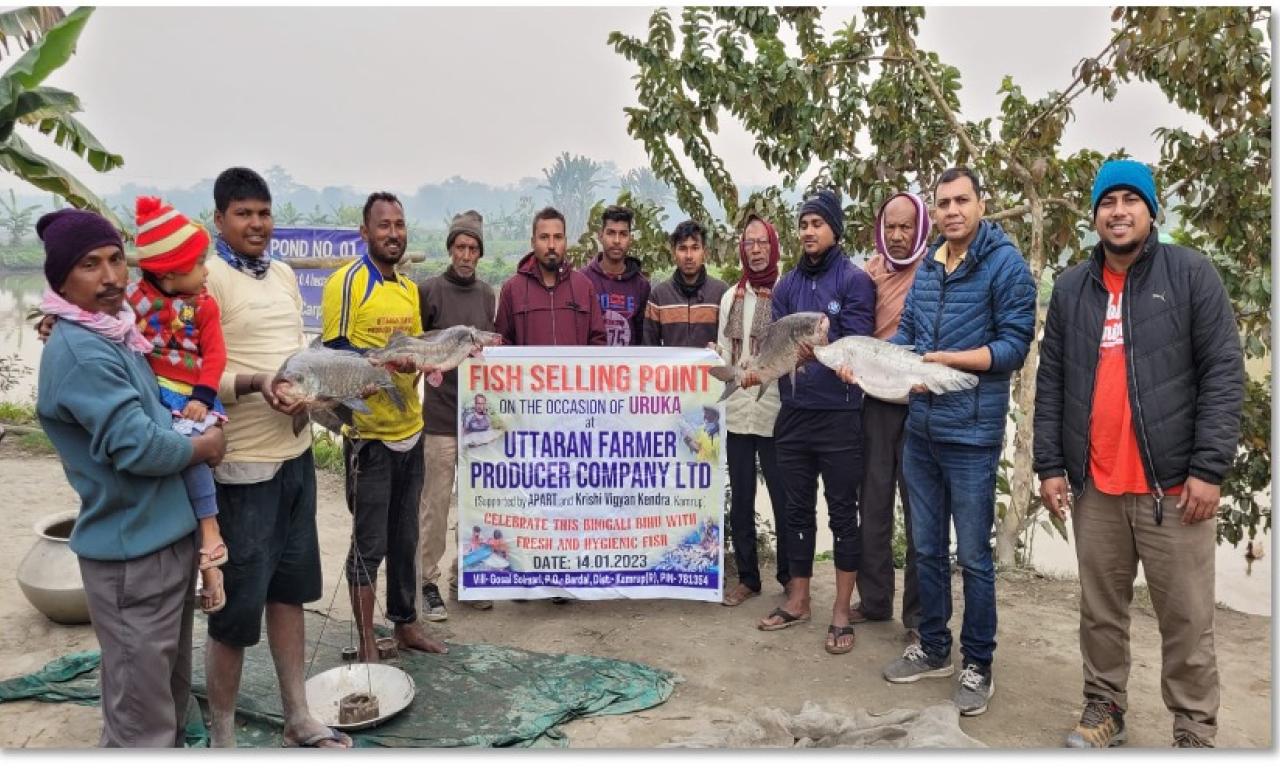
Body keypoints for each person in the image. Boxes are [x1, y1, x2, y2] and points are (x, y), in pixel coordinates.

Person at [1034, 159, 1244, 748]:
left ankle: (1194, 730)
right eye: (1108, 202)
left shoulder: (1190, 275)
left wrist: (1208, 469)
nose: (1119, 211)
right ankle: (1105, 707)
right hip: (1096, 486)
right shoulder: (1073, 288)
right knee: (1101, 611)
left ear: (1152, 211)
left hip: (1173, 489)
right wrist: (1049, 465)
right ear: (1095, 215)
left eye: (1131, 200)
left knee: (1187, 619)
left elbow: (1224, 372)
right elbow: (1051, 382)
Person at [35, 208, 226, 747]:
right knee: (142, 726)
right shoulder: (83, 351)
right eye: (89, 265)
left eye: (116, 260)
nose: (110, 277)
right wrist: (205, 445)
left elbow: (156, 411)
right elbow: (138, 445)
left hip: (160, 544)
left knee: (165, 702)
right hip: (131, 558)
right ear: (60, 281)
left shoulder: (115, 333)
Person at [875, 167, 1036, 717]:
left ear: (980, 204)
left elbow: (1014, 346)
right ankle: (934, 647)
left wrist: (949, 362)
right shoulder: (928, 266)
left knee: (973, 556)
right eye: (943, 203)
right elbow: (908, 337)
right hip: (921, 430)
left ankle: (978, 663)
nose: (952, 211)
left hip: (971, 434)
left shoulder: (1005, 265)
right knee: (924, 547)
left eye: (961, 200)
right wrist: (874, 362)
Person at [202, 167, 351, 748]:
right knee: (235, 614)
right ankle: (223, 739)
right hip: (242, 469)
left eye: (264, 213)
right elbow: (192, 379)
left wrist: (318, 394)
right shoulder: (207, 279)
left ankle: (297, 717)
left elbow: (297, 359)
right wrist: (255, 382)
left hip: (296, 458)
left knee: (290, 592)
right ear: (219, 218)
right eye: (243, 214)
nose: (257, 224)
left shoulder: (284, 274)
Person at [321, 191, 446, 661]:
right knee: (369, 544)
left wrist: (423, 362)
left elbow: (414, 351)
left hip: (410, 430)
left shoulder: (409, 289)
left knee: (405, 539)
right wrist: (380, 365)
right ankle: (367, 641)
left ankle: (406, 624)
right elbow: (332, 356)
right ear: (365, 232)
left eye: (399, 225)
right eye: (384, 225)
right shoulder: (347, 283)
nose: (393, 233)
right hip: (368, 439)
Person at [755, 190, 875, 658]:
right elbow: (776, 345)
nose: (808, 231)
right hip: (794, 414)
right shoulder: (785, 286)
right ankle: (799, 599)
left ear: (835, 230)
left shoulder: (855, 281)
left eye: (817, 223)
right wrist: (759, 369)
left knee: (843, 512)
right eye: (804, 224)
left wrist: (821, 351)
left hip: (841, 416)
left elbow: (857, 344)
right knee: (796, 509)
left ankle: (842, 610)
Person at [127, 196, 230, 615]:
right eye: (199, 263)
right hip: (153, 395)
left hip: (190, 397)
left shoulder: (203, 305)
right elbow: (99, 319)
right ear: (169, 272)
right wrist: (54, 319)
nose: (207, 271)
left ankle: (209, 530)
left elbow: (216, 355)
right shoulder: (134, 300)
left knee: (191, 457)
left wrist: (202, 397)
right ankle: (203, 563)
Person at [848, 192, 929, 638]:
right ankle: (875, 600)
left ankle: (918, 618)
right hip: (877, 403)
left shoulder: (935, 269)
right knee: (873, 505)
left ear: (920, 228)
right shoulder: (870, 272)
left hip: (921, 402)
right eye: (890, 227)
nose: (897, 236)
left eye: (906, 227)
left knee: (921, 513)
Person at [417, 209, 499, 620]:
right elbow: (416, 347)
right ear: (450, 249)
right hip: (438, 418)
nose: (466, 255)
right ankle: (426, 582)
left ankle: (463, 577)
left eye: (473, 248)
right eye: (460, 247)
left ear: (480, 253)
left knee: (474, 503)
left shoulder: (487, 295)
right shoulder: (429, 290)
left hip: (477, 420)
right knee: (435, 504)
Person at [716, 214, 790, 608]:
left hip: (776, 412)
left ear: (773, 247)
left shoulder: (787, 292)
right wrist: (719, 361)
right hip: (738, 412)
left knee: (784, 497)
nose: (756, 250)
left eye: (763, 243)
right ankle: (748, 578)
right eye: (749, 243)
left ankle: (790, 577)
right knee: (741, 499)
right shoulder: (732, 297)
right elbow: (725, 356)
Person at [494, 206, 606, 346]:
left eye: (558, 237)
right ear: (533, 242)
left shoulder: (583, 287)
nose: (551, 245)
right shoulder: (512, 289)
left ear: (565, 242)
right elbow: (502, 344)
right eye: (544, 237)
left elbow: (598, 341)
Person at [642, 220, 728, 348]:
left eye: (695, 248)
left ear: (705, 252)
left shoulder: (721, 292)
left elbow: (730, 345)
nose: (689, 256)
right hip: (670, 362)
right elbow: (649, 346)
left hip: (712, 362)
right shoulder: (659, 295)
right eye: (682, 248)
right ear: (673, 253)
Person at [583, 205, 651, 346]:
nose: (617, 240)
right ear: (600, 236)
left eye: (623, 234)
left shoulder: (641, 286)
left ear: (630, 239)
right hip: (591, 360)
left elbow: (643, 338)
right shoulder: (582, 280)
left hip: (629, 360)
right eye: (611, 233)